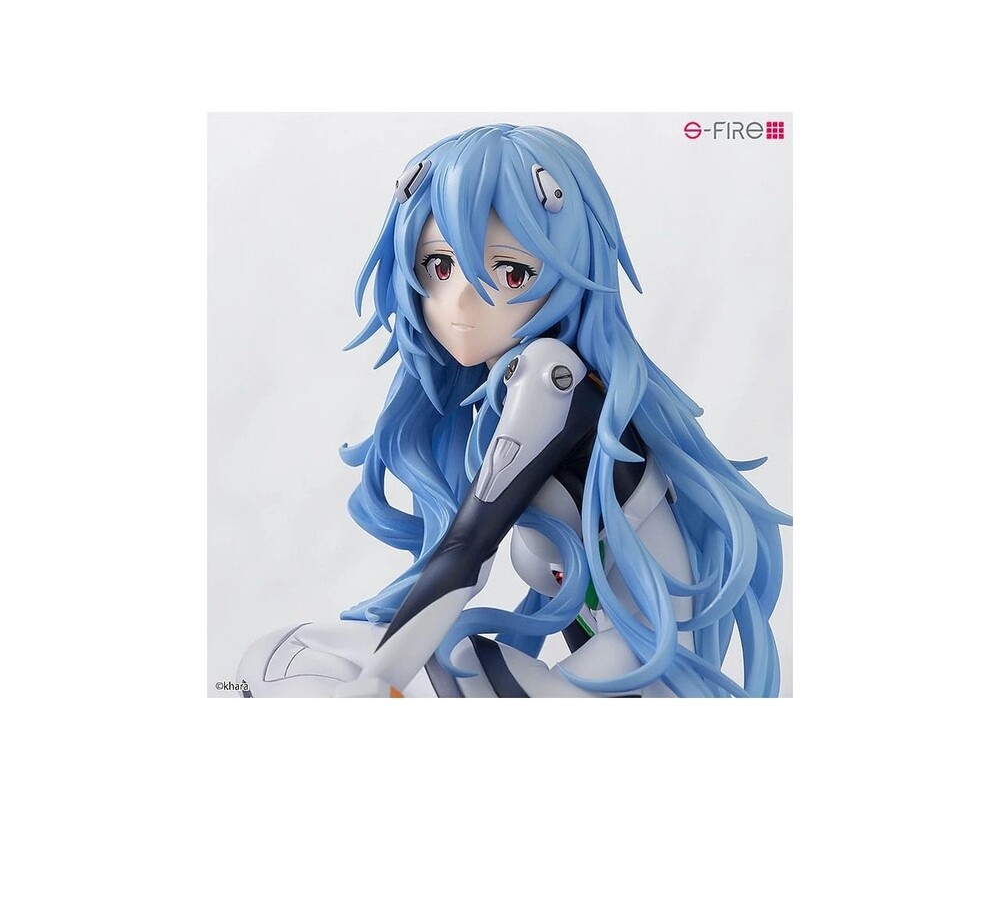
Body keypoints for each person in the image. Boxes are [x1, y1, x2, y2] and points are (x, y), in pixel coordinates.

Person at [239, 124, 789, 697]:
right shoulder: (506, 394)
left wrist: (380, 678)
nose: (461, 300)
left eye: (510, 272)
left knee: (289, 657)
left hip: (636, 686)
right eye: (439, 267)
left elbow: (467, 550)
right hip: (612, 680)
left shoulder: (550, 377)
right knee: (292, 658)